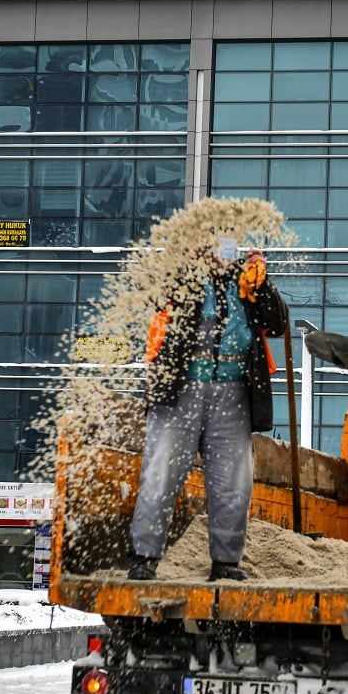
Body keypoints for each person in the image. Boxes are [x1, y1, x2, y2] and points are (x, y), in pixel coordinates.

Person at [128, 244, 287, 582]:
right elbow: (151, 293)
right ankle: (144, 557)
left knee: (234, 483)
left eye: (226, 250)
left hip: (232, 396)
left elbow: (277, 323)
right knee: (161, 475)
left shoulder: (247, 286)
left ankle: (226, 562)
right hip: (179, 392)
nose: (220, 256)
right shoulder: (180, 278)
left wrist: (263, 281)